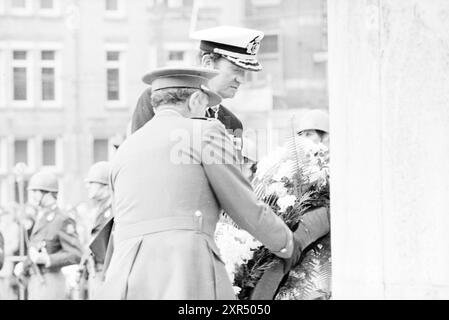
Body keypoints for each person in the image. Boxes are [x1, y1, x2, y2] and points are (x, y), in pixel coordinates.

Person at [95, 67, 303, 300]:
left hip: (124, 278)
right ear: (195, 100)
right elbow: (243, 205)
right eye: (205, 107)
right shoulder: (204, 132)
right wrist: (287, 244)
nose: (206, 114)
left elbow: (117, 227)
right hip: (183, 270)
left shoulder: (125, 149)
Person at [131, 25, 266, 157]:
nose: (242, 80)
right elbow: (139, 158)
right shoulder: (160, 98)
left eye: (245, 72)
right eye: (236, 70)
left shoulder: (232, 122)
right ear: (207, 62)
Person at [13, 170, 82, 300]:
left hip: (51, 281)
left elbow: (77, 254)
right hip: (36, 281)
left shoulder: (61, 219)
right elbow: (35, 251)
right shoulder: (41, 217)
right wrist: (24, 265)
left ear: (47, 193)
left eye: (35, 192)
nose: (32, 196)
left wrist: (47, 259)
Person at [78, 161, 113, 298]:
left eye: (92, 183)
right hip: (96, 271)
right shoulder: (100, 209)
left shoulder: (113, 210)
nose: (88, 187)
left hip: (106, 272)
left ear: (105, 185)